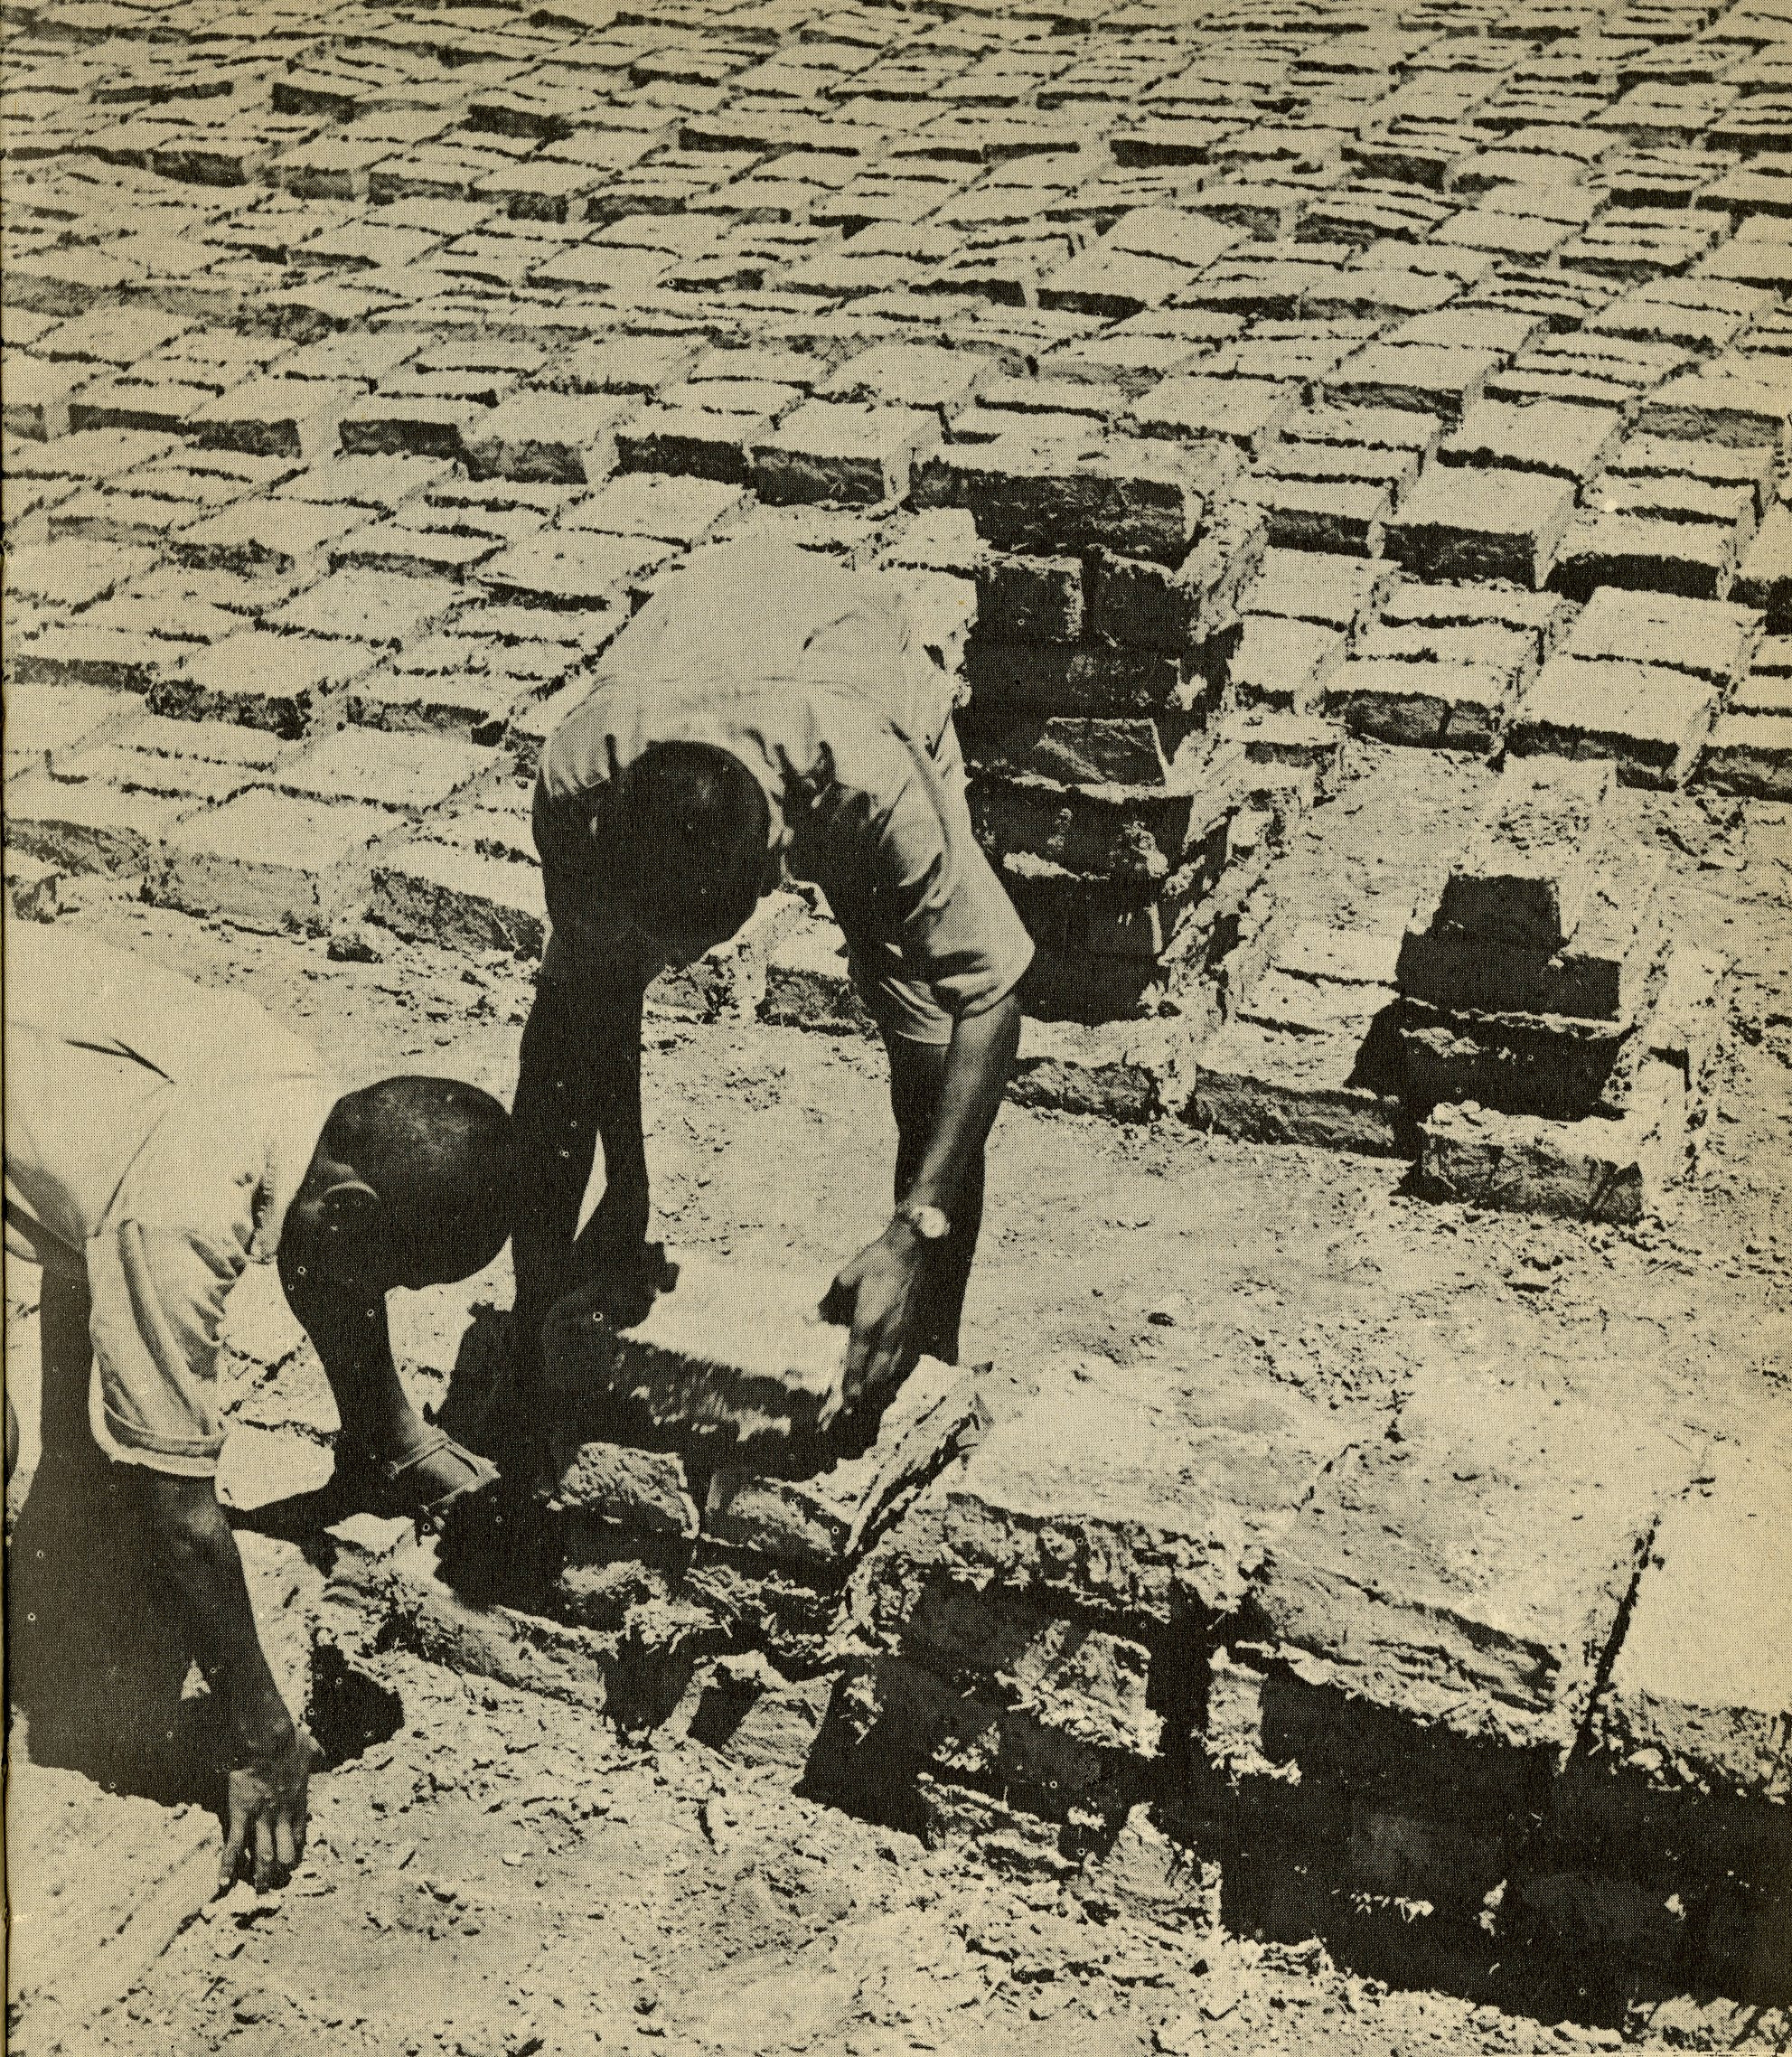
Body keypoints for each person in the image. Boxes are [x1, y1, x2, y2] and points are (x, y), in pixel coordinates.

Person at [4, 929, 514, 1893]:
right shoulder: (185, 1213)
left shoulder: (297, 1095)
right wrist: (261, 1730)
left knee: (83, 1461)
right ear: (353, 1212)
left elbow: (313, 1260)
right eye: (396, 1274)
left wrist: (391, 1440)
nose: (382, 1295)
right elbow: (184, 1518)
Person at [510, 534, 1035, 1423]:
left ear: (772, 873)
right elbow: (600, 993)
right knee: (565, 1021)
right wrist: (626, 1187)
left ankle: (918, 1356)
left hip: (847, 669)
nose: (671, 966)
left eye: (691, 944)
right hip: (701, 649)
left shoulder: (874, 789)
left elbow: (992, 995)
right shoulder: (581, 775)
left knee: (933, 1060)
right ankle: (538, 1337)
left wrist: (916, 1227)